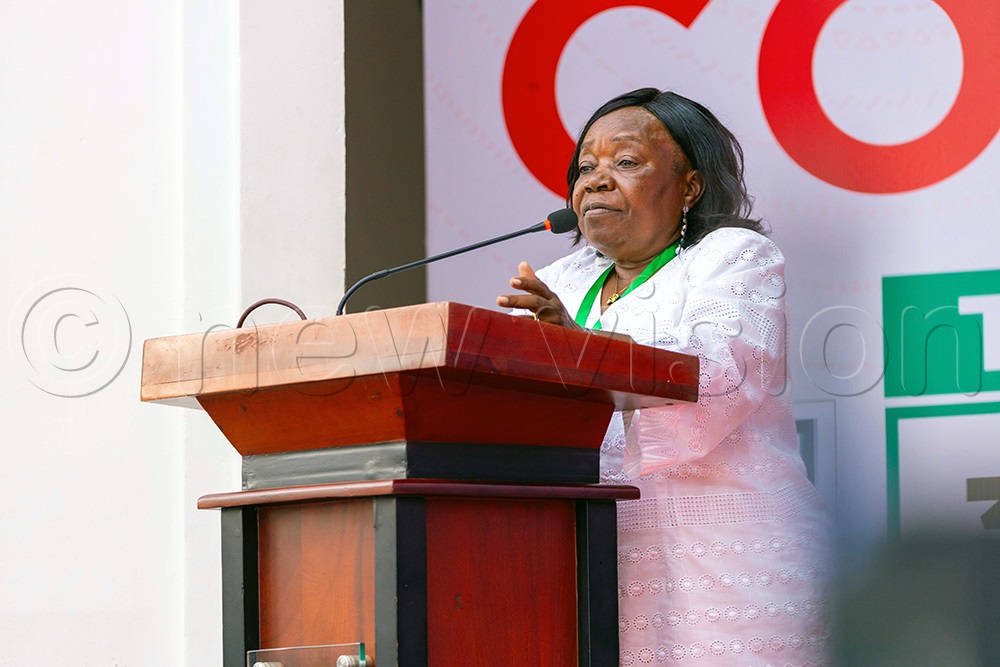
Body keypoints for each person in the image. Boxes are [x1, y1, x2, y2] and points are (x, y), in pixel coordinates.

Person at [497, 88, 830, 666]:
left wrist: (578, 349)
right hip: (604, 571)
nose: (596, 181)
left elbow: (715, 376)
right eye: (585, 168)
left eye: (625, 162)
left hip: (731, 573)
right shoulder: (560, 281)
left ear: (690, 186)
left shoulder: (733, 256)